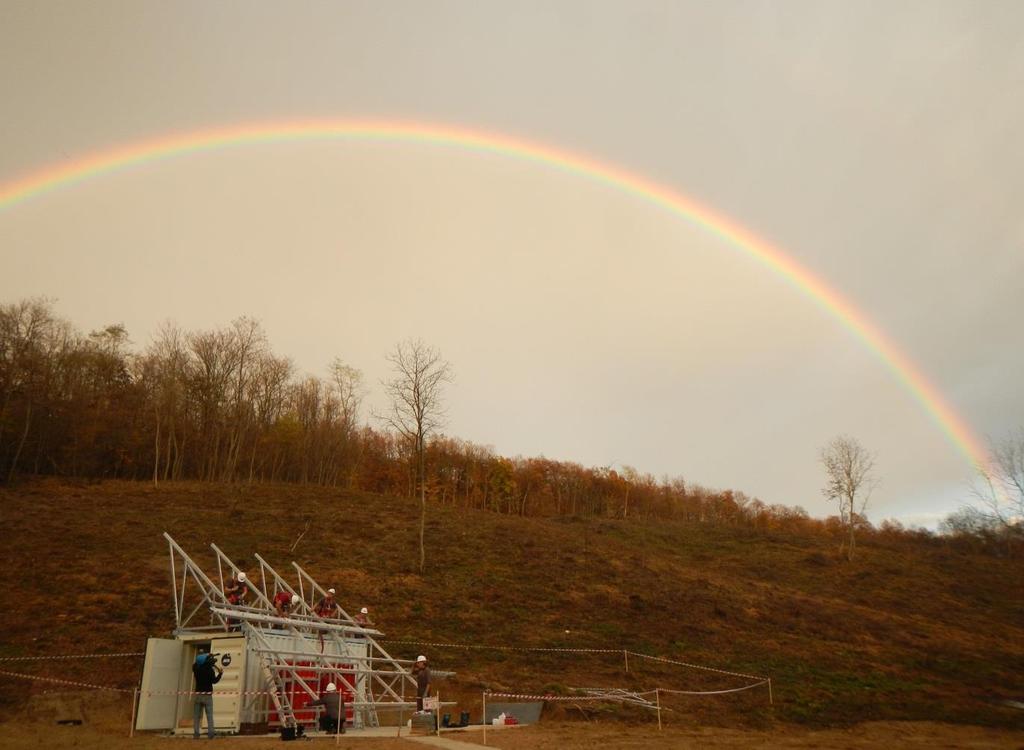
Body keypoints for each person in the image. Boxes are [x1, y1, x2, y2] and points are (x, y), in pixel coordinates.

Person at [192, 650, 223, 739]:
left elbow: (196, 663)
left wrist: (205, 656)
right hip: (208, 696)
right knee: (209, 716)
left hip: (198, 695)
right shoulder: (210, 671)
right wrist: (220, 674)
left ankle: (196, 734)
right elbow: (214, 681)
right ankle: (211, 734)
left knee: (196, 717)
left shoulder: (196, 669)